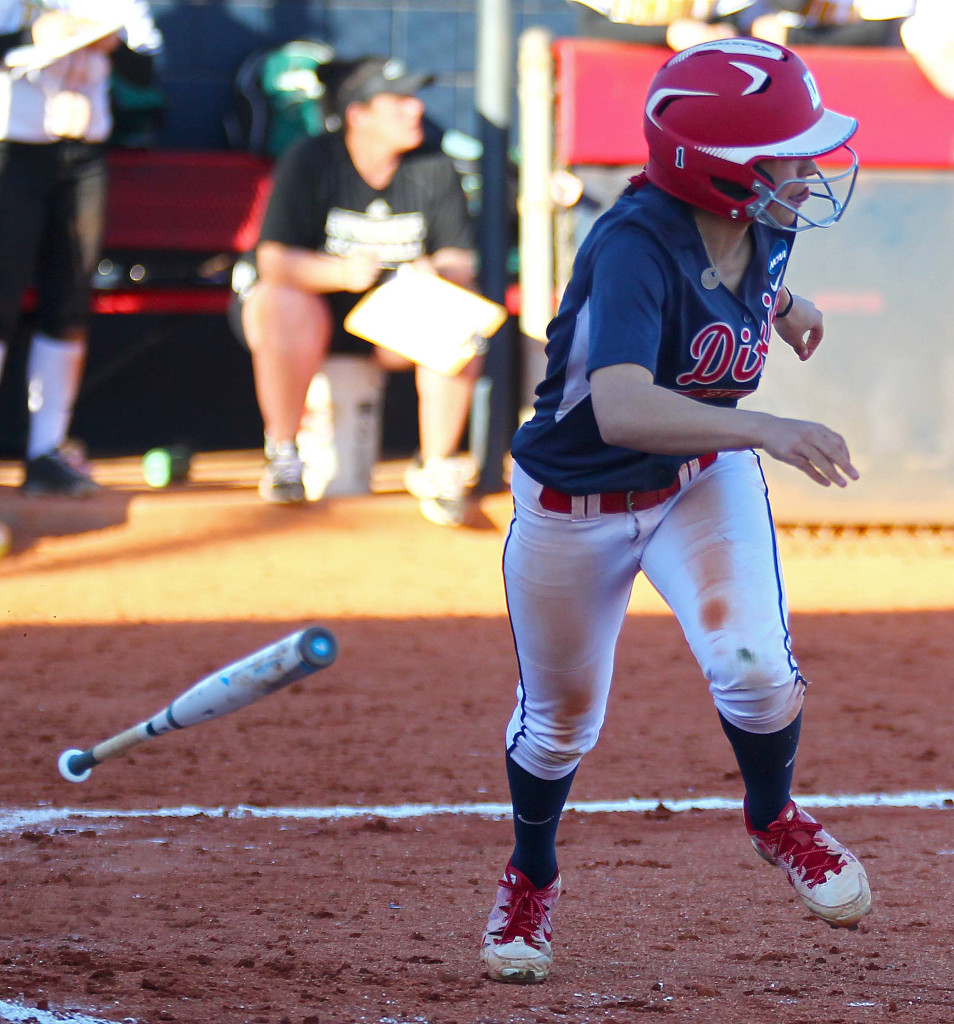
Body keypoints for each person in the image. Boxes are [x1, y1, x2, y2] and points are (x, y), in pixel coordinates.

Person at [479, 38, 871, 984]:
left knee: (755, 668)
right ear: (719, 171)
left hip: (699, 476)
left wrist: (786, 307)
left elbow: (742, 273)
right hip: (575, 504)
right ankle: (532, 876)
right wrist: (769, 425)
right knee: (559, 726)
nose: (809, 169)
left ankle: (774, 816)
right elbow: (620, 406)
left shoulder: (760, 218)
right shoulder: (631, 245)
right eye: (786, 153)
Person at [232, 55, 481, 527]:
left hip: (389, 322)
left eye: (415, 99)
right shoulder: (312, 158)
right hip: (310, 313)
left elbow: (460, 260)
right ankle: (284, 454)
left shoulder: (434, 164)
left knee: (458, 319)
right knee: (279, 301)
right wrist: (345, 274)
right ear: (358, 115)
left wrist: (433, 272)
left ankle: (435, 466)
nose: (415, 110)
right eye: (399, 101)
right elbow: (274, 262)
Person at [0, 0, 162, 495]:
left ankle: (47, 452)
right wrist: (38, 36)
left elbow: (146, 69)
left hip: (83, 156)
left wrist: (108, 41)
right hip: (12, 150)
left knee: (69, 301)